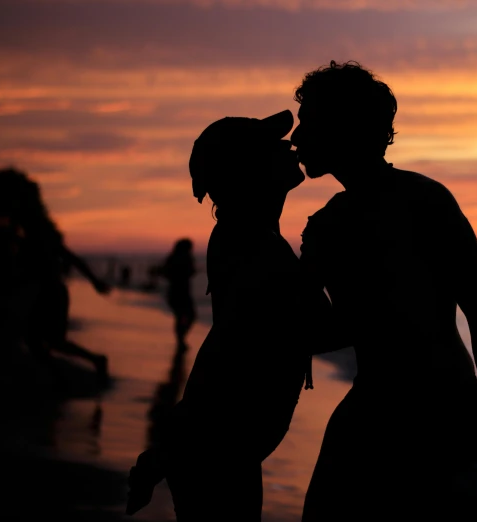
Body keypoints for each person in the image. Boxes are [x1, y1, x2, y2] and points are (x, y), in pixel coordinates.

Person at [292, 61, 477, 521]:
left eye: (309, 123)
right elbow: (323, 331)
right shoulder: (396, 207)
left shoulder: (384, 212)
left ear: (343, 127)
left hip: (427, 423)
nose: (297, 138)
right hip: (415, 414)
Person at [127, 110, 333, 521]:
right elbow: (313, 332)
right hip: (220, 442)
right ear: (249, 171)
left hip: (215, 438)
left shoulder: (243, 235)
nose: (288, 145)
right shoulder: (255, 246)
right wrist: (326, 268)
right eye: (272, 145)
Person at [0, 168, 111, 384]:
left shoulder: (38, 234)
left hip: (53, 293)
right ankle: (65, 375)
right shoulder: (22, 234)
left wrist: (95, 281)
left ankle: (93, 361)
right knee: (35, 342)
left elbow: (70, 257)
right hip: (43, 293)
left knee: (51, 342)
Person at [160, 238, 196, 348]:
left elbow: (165, 273)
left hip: (175, 291)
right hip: (181, 291)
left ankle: (181, 339)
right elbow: (190, 272)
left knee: (181, 316)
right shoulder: (185, 258)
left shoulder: (172, 258)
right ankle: (181, 339)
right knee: (189, 316)